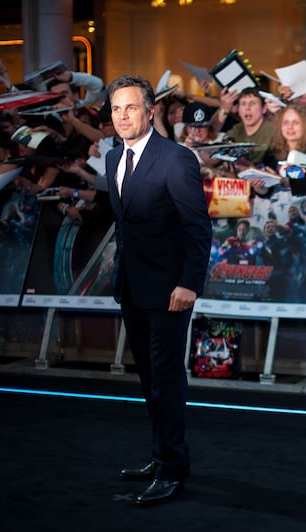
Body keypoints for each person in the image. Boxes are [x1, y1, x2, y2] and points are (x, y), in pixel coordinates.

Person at [105, 74, 212, 507]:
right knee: (149, 379)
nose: (123, 116)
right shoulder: (113, 158)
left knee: (166, 381)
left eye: (131, 107)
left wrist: (190, 282)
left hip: (171, 290)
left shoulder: (175, 158)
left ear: (150, 111)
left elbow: (197, 227)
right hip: (132, 285)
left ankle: (171, 470)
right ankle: (162, 455)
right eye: (116, 109)